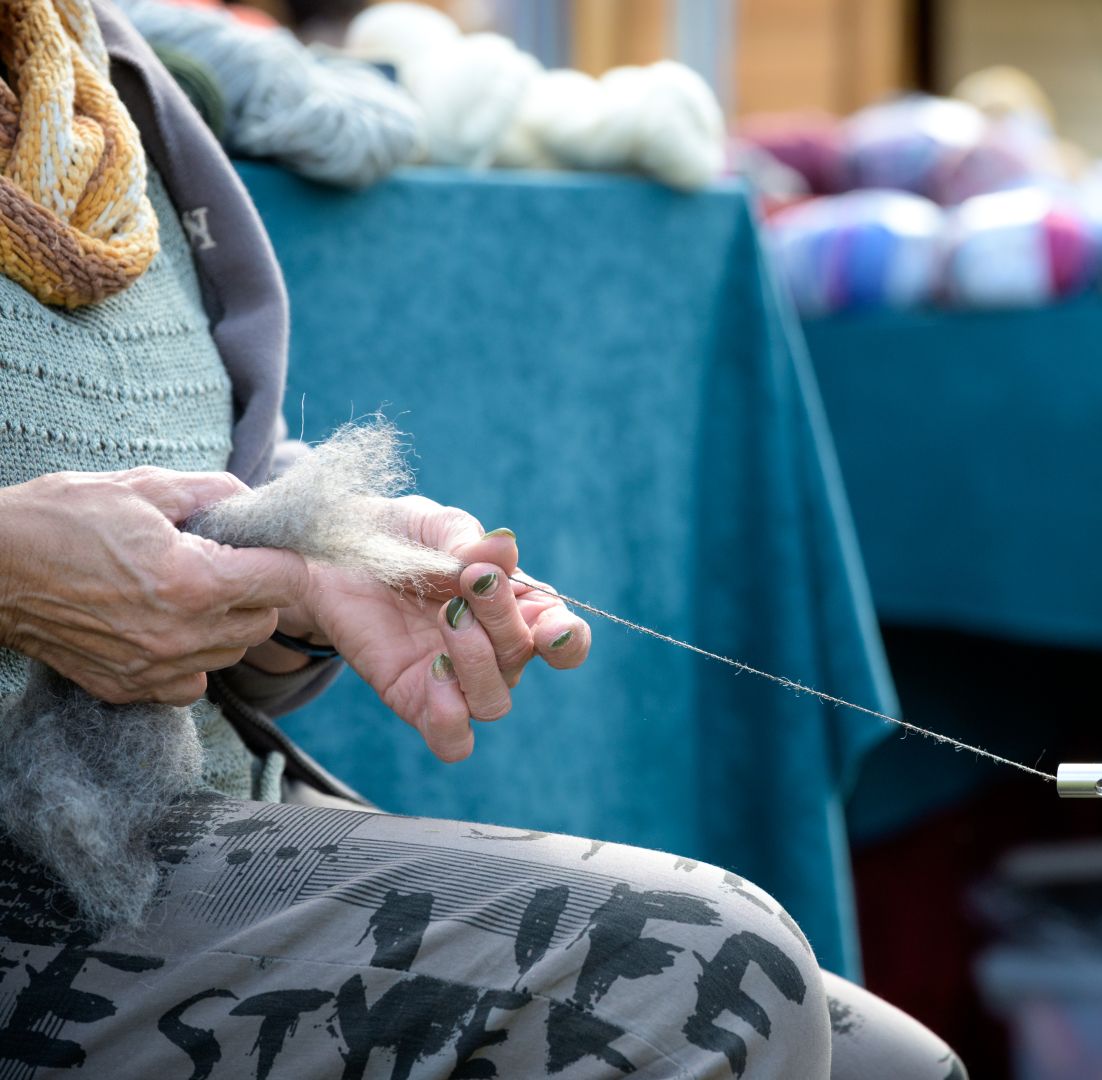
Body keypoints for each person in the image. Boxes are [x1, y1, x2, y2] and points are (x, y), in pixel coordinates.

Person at [0, 2, 967, 1076]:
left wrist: (317, 560)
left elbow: (181, 478)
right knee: (705, 973)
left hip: (161, 829)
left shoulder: (105, 69)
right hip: (34, 880)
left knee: (897, 1065)